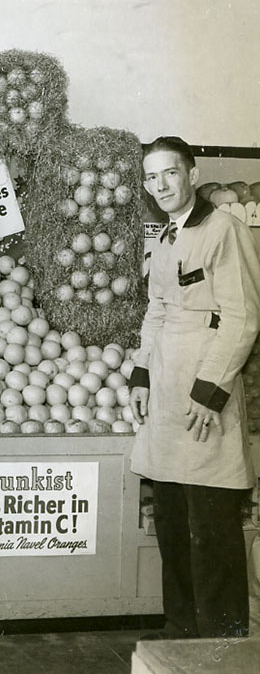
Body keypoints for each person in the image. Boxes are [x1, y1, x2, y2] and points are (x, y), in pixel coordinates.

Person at [129, 136, 260, 640]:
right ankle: (180, 627)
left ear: (192, 174)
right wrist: (142, 373)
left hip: (205, 395)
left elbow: (244, 317)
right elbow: (156, 311)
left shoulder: (223, 229)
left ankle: (220, 638)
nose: (160, 185)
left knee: (211, 525)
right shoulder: (166, 237)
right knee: (171, 521)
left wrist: (210, 391)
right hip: (165, 395)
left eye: (169, 173)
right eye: (151, 176)